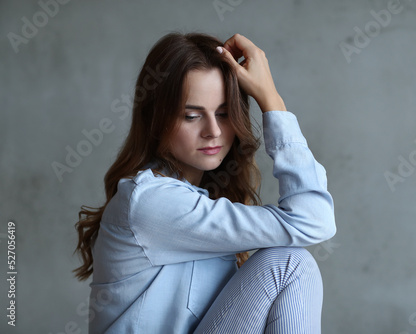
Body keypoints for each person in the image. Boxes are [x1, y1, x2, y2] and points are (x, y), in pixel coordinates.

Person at [73, 32, 336, 333]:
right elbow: (313, 220)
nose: (213, 131)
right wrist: (271, 101)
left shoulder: (202, 197)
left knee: (292, 261)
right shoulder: (150, 202)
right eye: (191, 116)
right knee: (289, 263)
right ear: (157, 120)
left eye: (224, 114)